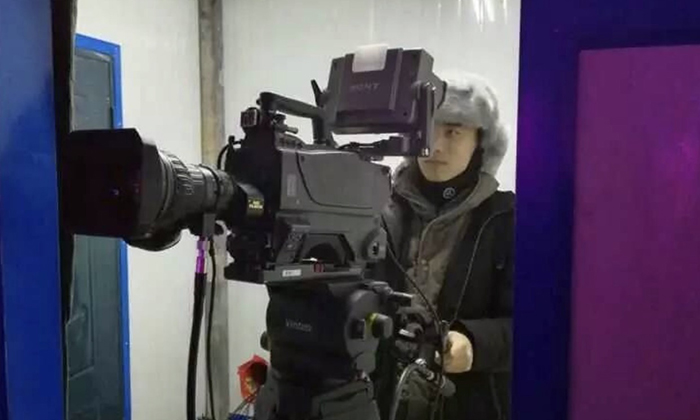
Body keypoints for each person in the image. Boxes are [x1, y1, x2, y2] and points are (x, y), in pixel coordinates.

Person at [375, 71, 514, 420]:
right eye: (425, 130)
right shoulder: (377, 209)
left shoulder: (509, 219)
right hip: (380, 401)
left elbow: (539, 325)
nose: (434, 146)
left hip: (468, 405)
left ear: (481, 142)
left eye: (453, 132)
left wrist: (475, 343)